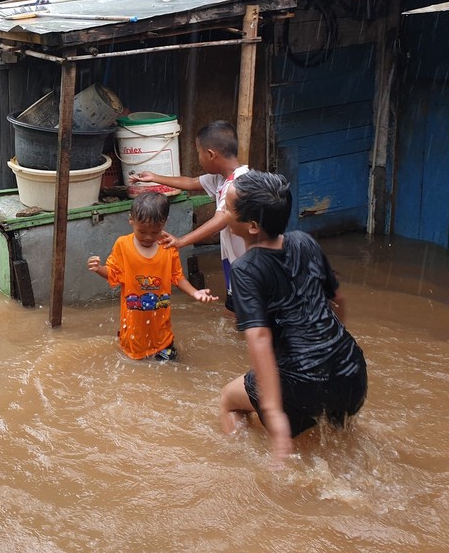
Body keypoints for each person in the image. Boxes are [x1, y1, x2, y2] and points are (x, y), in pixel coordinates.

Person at [219, 171, 368, 466]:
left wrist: (274, 414)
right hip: (352, 371)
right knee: (338, 436)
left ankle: (242, 468)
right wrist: (329, 352)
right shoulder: (304, 241)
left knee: (228, 400)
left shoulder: (246, 269)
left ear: (251, 226)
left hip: (302, 381)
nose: (222, 210)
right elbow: (337, 299)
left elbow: (259, 338)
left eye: (228, 207)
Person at [131, 120, 248, 313]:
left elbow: (221, 219)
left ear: (211, 154)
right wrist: (154, 177)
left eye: (198, 152)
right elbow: (191, 182)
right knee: (234, 312)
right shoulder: (222, 177)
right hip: (234, 261)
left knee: (245, 316)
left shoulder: (237, 185)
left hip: (246, 262)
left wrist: (181, 241)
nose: (199, 157)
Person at [88, 191, 218, 361]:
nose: (148, 237)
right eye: (142, 232)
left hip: (163, 336)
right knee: (135, 370)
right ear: (131, 220)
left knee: (170, 370)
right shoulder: (123, 245)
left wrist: (195, 292)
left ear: (165, 223)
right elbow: (113, 274)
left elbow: (177, 277)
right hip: (133, 334)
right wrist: (98, 268)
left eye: (155, 232)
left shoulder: (168, 247)